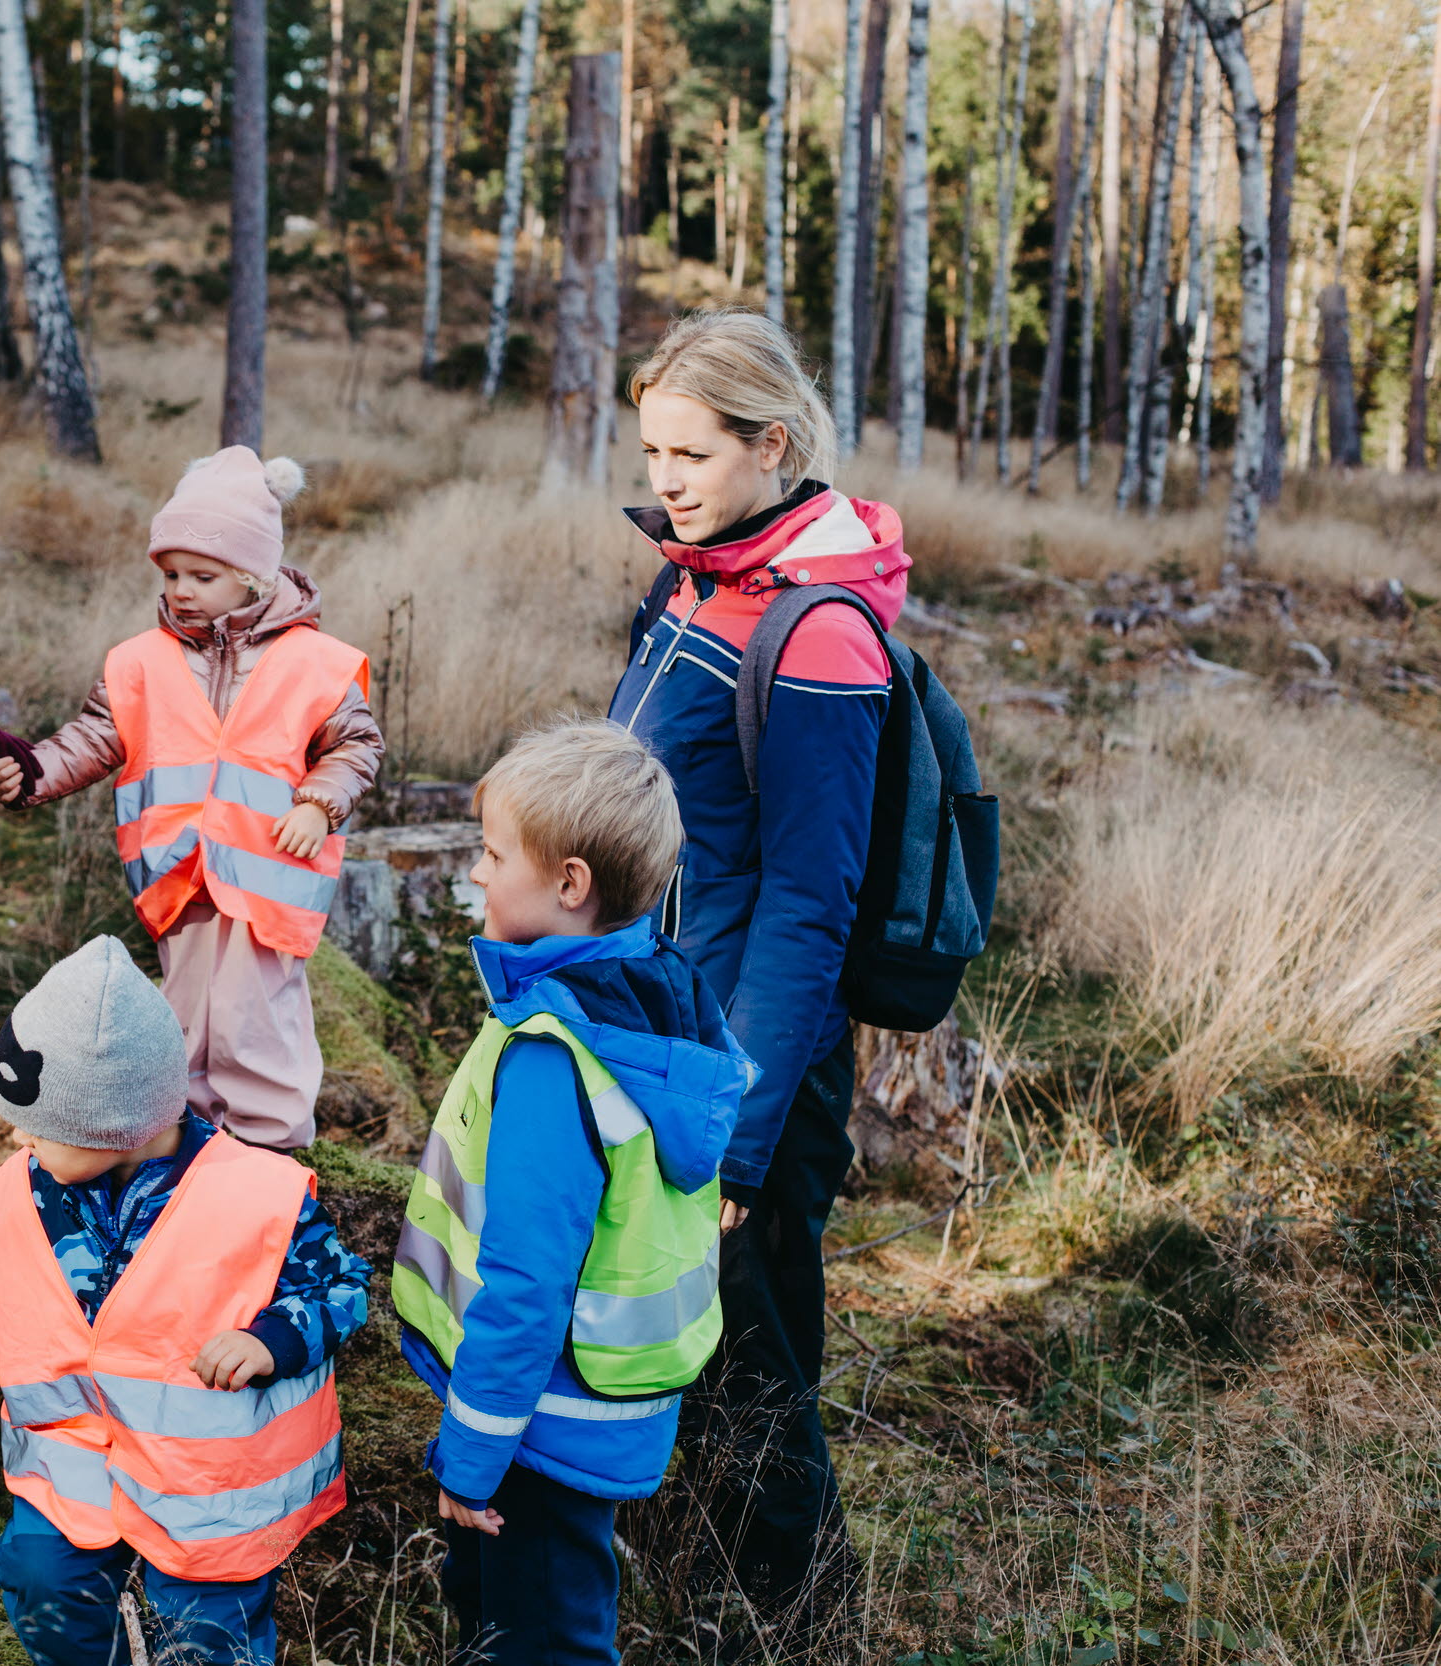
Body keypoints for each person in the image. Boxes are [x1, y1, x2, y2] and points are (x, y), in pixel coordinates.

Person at [606, 308, 908, 1652]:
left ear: (771, 443)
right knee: (688, 1342)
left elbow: (806, 906)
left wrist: (737, 1135)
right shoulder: (693, 578)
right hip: (660, 1027)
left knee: (752, 1357)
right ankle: (696, 1580)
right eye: (652, 448)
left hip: (748, 1057)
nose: (664, 477)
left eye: (693, 452)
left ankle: (806, 1616)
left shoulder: (819, 631)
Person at [0, 936, 370, 1666]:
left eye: (40, 1126)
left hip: (206, 1494)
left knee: (205, 1639)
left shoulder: (255, 1195)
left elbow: (340, 1288)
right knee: (38, 1582)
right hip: (74, 1467)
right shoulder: (30, 1187)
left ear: (114, 1122)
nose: (19, 1139)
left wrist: (273, 1341)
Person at [393, 718, 756, 1666]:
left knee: (544, 1641)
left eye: (493, 852)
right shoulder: (656, 996)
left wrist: (471, 1454)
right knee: (524, 1618)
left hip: (534, 1427)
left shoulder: (556, 1059)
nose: (475, 872)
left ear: (568, 885)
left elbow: (527, 1283)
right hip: (596, 1411)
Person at [0, 448, 383, 1151]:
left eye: (204, 574)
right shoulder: (139, 661)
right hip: (178, 879)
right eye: (171, 574)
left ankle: (269, 1152)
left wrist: (319, 803)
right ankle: (190, 1144)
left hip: (266, 881)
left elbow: (356, 746)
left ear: (253, 576)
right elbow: (96, 736)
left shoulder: (317, 663)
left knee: (257, 1020)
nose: (183, 589)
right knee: (184, 1018)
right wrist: (36, 771)